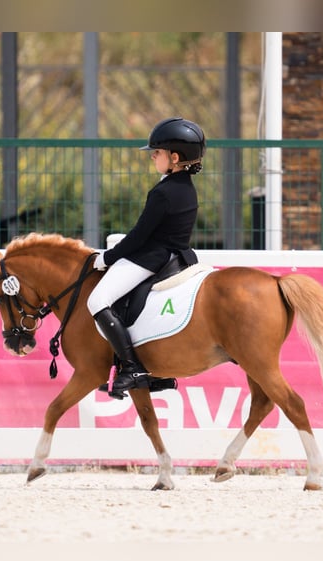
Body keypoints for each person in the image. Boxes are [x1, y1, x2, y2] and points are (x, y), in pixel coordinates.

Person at [87, 117, 206, 399]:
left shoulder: (164, 192)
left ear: (174, 158)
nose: (152, 156)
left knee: (97, 300)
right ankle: (155, 375)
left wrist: (108, 257)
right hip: (177, 256)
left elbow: (140, 235)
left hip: (152, 257)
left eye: (157, 152)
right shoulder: (184, 187)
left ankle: (132, 368)